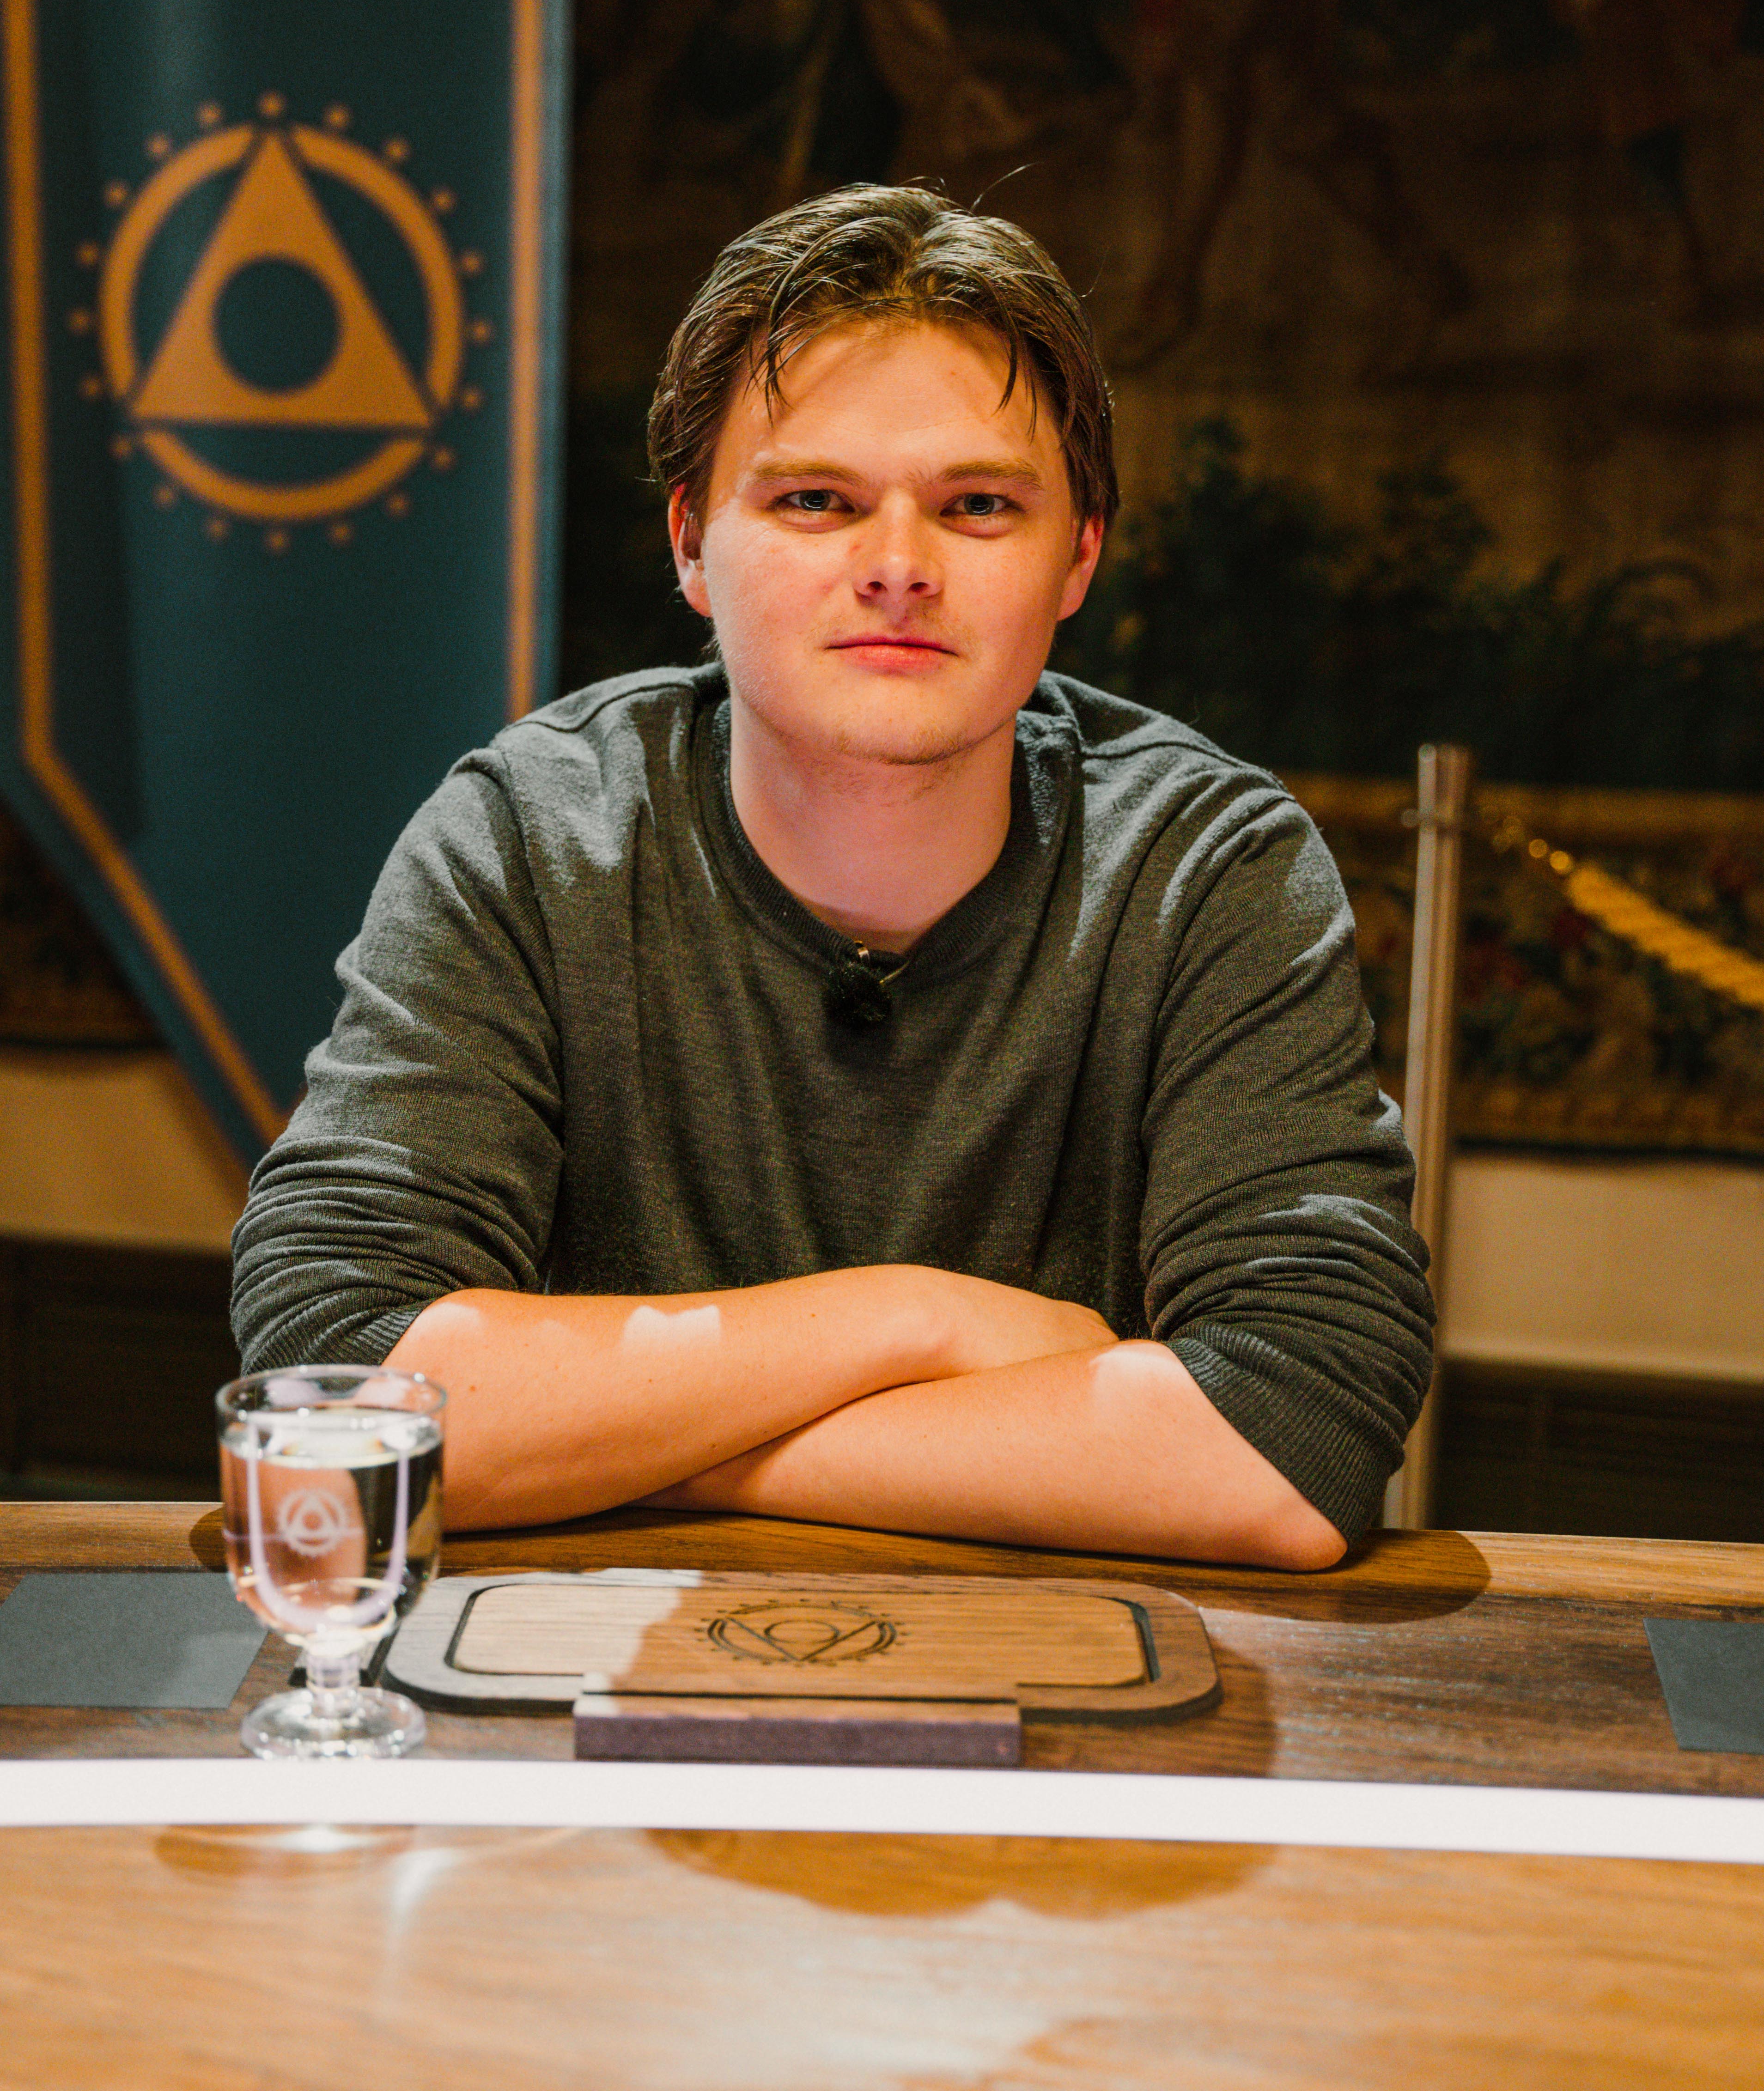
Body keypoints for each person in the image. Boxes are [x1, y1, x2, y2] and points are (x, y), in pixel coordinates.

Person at [231, 185, 1432, 1566]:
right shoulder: (527, 837)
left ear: (1080, 555)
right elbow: (339, 1378)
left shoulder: (1209, 867)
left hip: (1072, 1686)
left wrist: (616, 1451)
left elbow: (1298, 1432)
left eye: (979, 506)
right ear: (691, 542)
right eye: (816, 500)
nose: (899, 568)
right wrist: (919, 1318)